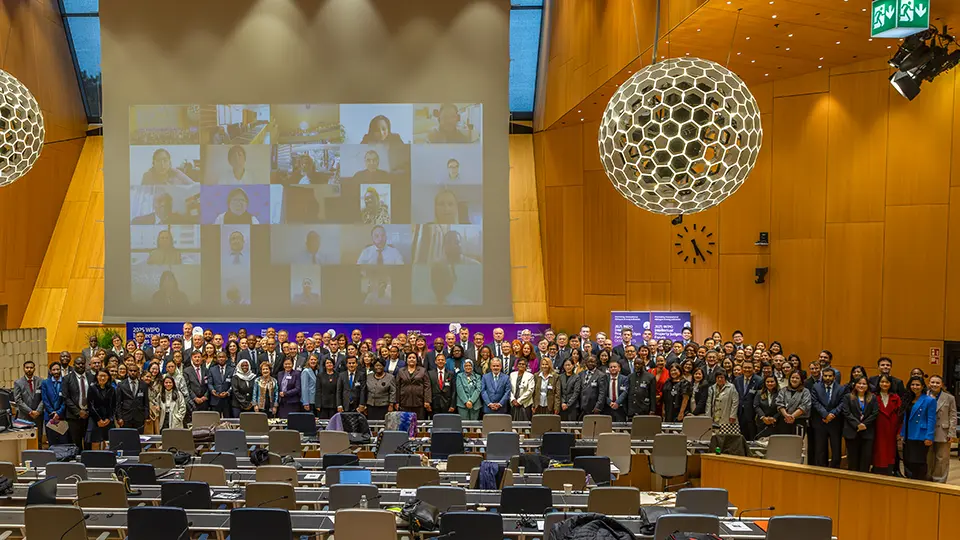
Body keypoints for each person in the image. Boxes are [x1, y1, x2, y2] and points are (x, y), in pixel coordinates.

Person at [900, 376, 936, 480]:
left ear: (923, 386)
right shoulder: (908, 399)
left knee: (918, 461)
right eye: (912, 384)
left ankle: (920, 482)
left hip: (921, 434)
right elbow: (905, 418)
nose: (915, 387)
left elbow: (931, 419)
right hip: (908, 433)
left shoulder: (929, 400)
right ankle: (910, 482)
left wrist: (929, 436)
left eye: (917, 385)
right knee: (907, 460)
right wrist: (902, 434)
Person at [841, 376, 878, 473]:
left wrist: (864, 424)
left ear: (868, 386)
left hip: (867, 432)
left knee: (865, 460)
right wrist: (857, 424)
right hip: (852, 431)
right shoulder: (848, 397)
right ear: (855, 385)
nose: (861, 386)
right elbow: (846, 412)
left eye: (864, 384)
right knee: (853, 460)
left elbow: (875, 413)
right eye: (859, 383)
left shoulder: (873, 398)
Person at [810, 367, 845, 468]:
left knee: (836, 448)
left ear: (834, 377)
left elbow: (842, 403)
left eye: (830, 376)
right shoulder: (816, 387)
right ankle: (821, 468)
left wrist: (832, 415)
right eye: (825, 376)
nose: (828, 378)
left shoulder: (841, 388)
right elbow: (815, 402)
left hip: (835, 422)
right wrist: (825, 415)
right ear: (822, 376)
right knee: (820, 448)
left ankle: (835, 468)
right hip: (821, 421)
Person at [926, 375, 956, 483]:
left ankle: (939, 480)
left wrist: (952, 433)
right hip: (927, 431)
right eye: (932, 382)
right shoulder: (924, 396)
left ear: (942, 385)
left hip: (943, 431)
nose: (935, 385)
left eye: (937, 383)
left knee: (942, 458)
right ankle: (927, 478)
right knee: (928, 456)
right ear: (929, 383)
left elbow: (952, 416)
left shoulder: (949, 398)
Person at [872, 374, 901, 475]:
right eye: (882, 382)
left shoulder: (896, 397)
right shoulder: (873, 396)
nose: (884, 384)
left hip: (891, 429)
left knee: (889, 452)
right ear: (878, 383)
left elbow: (900, 416)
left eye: (887, 382)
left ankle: (889, 471)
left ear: (890, 384)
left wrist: (899, 432)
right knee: (878, 451)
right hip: (877, 428)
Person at [13, 360, 44, 447]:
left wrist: (38, 411)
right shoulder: (18, 383)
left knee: (39, 439)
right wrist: (30, 411)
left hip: (38, 416)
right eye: (27, 368)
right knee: (25, 441)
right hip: (24, 416)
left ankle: (40, 457)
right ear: (24, 369)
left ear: (34, 369)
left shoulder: (41, 381)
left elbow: (44, 398)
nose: (29, 369)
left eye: (31, 367)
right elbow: (18, 400)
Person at [62, 357, 90, 450]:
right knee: (76, 443)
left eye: (82, 363)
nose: (81, 365)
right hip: (73, 416)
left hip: (89, 415)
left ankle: (88, 462)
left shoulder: (91, 377)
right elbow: (66, 398)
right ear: (73, 365)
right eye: (78, 364)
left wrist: (88, 411)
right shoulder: (67, 378)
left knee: (88, 441)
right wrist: (79, 412)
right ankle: (77, 463)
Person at [115, 363, 148, 435]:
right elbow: (118, 403)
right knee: (125, 439)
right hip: (126, 417)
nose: (133, 372)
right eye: (131, 371)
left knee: (139, 439)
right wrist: (119, 417)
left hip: (139, 417)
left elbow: (146, 402)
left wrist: (146, 416)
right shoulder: (121, 385)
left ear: (138, 372)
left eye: (135, 371)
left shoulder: (144, 385)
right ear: (127, 371)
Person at [86, 369, 116, 450]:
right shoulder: (92, 388)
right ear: (96, 377)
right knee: (95, 442)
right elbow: (90, 405)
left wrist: (109, 419)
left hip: (108, 420)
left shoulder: (112, 389)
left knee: (107, 443)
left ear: (108, 377)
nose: (102, 378)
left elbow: (113, 406)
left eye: (105, 376)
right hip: (95, 419)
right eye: (100, 376)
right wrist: (98, 420)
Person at [775, 371, 811, 436]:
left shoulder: (805, 391)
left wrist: (792, 416)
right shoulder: (783, 390)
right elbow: (779, 403)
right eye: (792, 377)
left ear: (801, 380)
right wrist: (786, 415)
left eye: (797, 378)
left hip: (799, 421)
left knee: (797, 444)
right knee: (784, 443)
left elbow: (805, 406)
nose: (794, 379)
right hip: (784, 420)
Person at [734, 360, 763, 440]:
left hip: (752, 414)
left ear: (753, 369)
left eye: (749, 368)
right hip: (739, 412)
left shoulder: (759, 380)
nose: (747, 370)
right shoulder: (737, 380)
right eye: (745, 368)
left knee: (751, 436)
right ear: (742, 369)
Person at [397, 352, 431, 419]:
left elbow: (427, 386)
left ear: (416, 360)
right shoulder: (401, 371)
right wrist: (397, 402)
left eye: (413, 358)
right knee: (405, 422)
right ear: (406, 360)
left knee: (419, 423)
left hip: (419, 401)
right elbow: (397, 386)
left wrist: (427, 401)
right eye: (409, 358)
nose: (411, 359)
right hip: (404, 401)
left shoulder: (422, 370)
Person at [41, 363, 67, 446]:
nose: (56, 371)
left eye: (58, 369)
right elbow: (45, 399)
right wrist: (52, 412)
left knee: (63, 440)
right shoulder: (45, 382)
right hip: (49, 416)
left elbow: (66, 399)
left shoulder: (66, 381)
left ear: (61, 370)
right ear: (50, 371)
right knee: (51, 441)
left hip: (62, 416)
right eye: (54, 370)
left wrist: (58, 413)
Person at [207, 351, 234, 418]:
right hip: (215, 399)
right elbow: (209, 383)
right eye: (219, 357)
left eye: (223, 357)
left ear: (226, 358)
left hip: (227, 400)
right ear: (217, 359)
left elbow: (233, 384)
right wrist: (212, 390)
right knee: (215, 421)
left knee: (228, 421)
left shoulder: (232, 369)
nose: (221, 359)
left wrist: (228, 392)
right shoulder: (212, 369)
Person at [508, 357, 535, 421]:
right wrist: (513, 399)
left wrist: (519, 401)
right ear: (517, 365)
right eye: (519, 364)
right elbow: (509, 388)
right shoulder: (512, 375)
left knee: (525, 424)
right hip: (513, 403)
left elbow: (530, 390)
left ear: (526, 366)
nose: (521, 365)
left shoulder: (530, 376)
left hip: (525, 404)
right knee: (513, 424)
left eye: (523, 364)